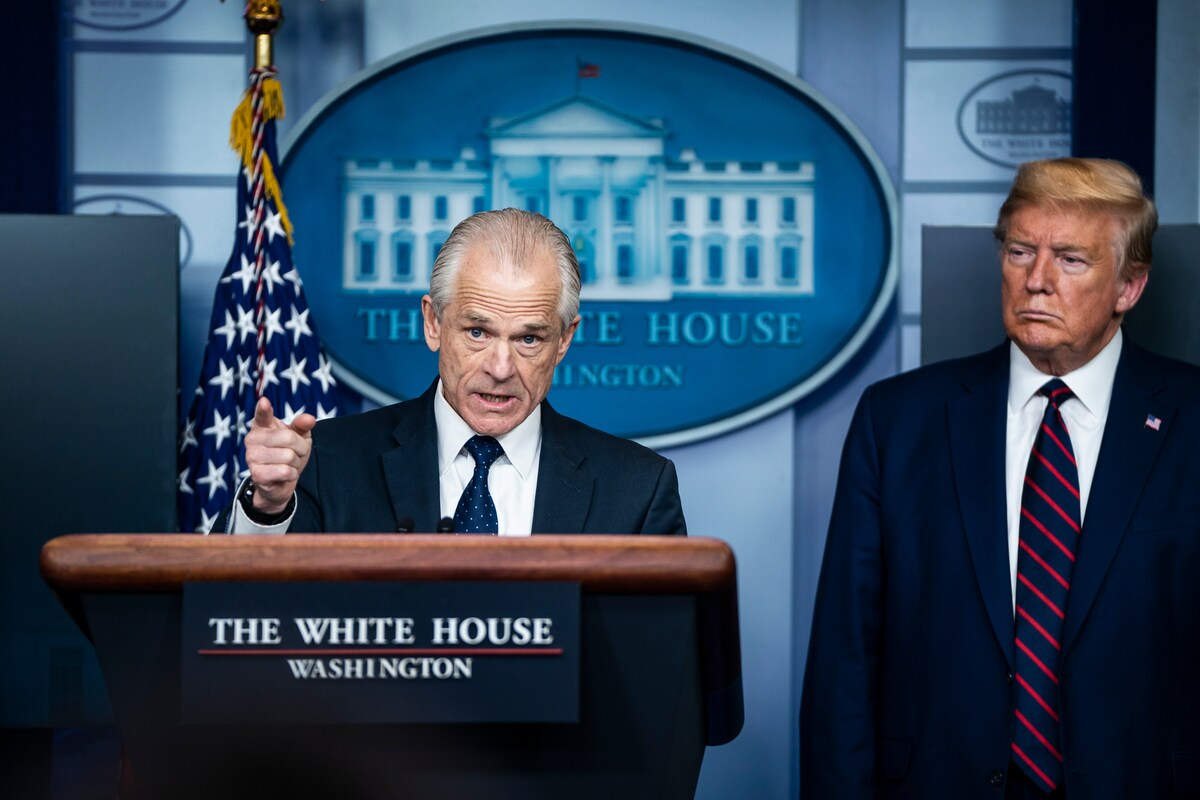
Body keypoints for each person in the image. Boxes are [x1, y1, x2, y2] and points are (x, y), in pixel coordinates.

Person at [800, 158, 1200, 798]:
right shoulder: (897, 420)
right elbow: (844, 658)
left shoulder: (1191, 419)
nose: (1036, 280)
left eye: (1070, 260)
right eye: (1019, 252)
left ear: (1129, 286)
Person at [217, 208, 686, 536]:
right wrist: (268, 509)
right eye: (477, 332)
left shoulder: (637, 490)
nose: (500, 369)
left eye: (529, 339)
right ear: (433, 323)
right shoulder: (326, 464)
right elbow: (240, 620)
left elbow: (667, 649)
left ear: (564, 340)